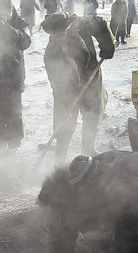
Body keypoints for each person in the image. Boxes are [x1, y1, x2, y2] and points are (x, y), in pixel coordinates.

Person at [38, 151, 138, 253]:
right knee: (63, 223)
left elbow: (136, 238)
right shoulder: (71, 179)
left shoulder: (125, 190)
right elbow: (61, 219)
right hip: (123, 213)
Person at [42, 12, 114, 164]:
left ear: (68, 25)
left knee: (91, 116)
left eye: (62, 31)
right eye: (56, 33)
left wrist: (107, 45)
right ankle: (60, 158)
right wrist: (65, 103)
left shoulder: (82, 24)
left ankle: (88, 149)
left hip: (91, 78)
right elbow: (56, 82)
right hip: (67, 89)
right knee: (64, 121)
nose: (60, 35)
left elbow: (100, 23)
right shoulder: (51, 53)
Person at [0, 0, 31, 151]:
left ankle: (15, 141)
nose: (3, 14)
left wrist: (6, 28)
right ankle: (0, 139)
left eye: (7, 11)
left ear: (11, 10)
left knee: (13, 110)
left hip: (13, 75)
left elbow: (25, 43)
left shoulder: (20, 23)